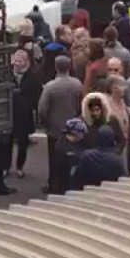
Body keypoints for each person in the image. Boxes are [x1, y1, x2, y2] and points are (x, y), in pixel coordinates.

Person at [38, 55, 84, 193]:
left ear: (56, 67)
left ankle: (53, 186)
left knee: (54, 159)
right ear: (70, 67)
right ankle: (69, 184)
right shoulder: (77, 84)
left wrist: (46, 124)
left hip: (55, 129)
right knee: (72, 157)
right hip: (73, 129)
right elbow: (81, 105)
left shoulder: (50, 87)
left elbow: (42, 109)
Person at [10, 50, 41, 179]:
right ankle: (6, 167)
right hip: (9, 114)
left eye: (20, 60)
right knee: (7, 143)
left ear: (26, 61)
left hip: (24, 115)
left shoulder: (32, 77)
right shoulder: (7, 74)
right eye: (16, 60)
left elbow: (37, 95)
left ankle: (19, 167)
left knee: (23, 143)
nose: (17, 63)